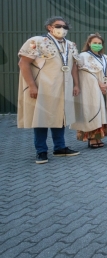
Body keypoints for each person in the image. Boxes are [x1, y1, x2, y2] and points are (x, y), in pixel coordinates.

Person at [18, 16, 81, 164]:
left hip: (64, 87)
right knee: (41, 118)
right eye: (58, 26)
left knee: (60, 116)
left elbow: (73, 66)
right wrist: (32, 86)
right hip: (44, 87)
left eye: (65, 27)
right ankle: (41, 151)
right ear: (49, 27)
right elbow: (23, 63)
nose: (62, 29)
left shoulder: (70, 45)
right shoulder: (37, 42)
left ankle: (60, 147)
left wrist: (76, 85)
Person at [71, 33, 107, 149]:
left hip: (105, 89)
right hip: (91, 89)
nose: (97, 45)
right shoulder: (83, 56)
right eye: (95, 43)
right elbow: (81, 72)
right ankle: (91, 138)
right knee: (92, 111)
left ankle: (99, 137)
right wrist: (98, 83)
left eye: (99, 43)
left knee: (103, 112)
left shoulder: (105, 57)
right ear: (89, 43)